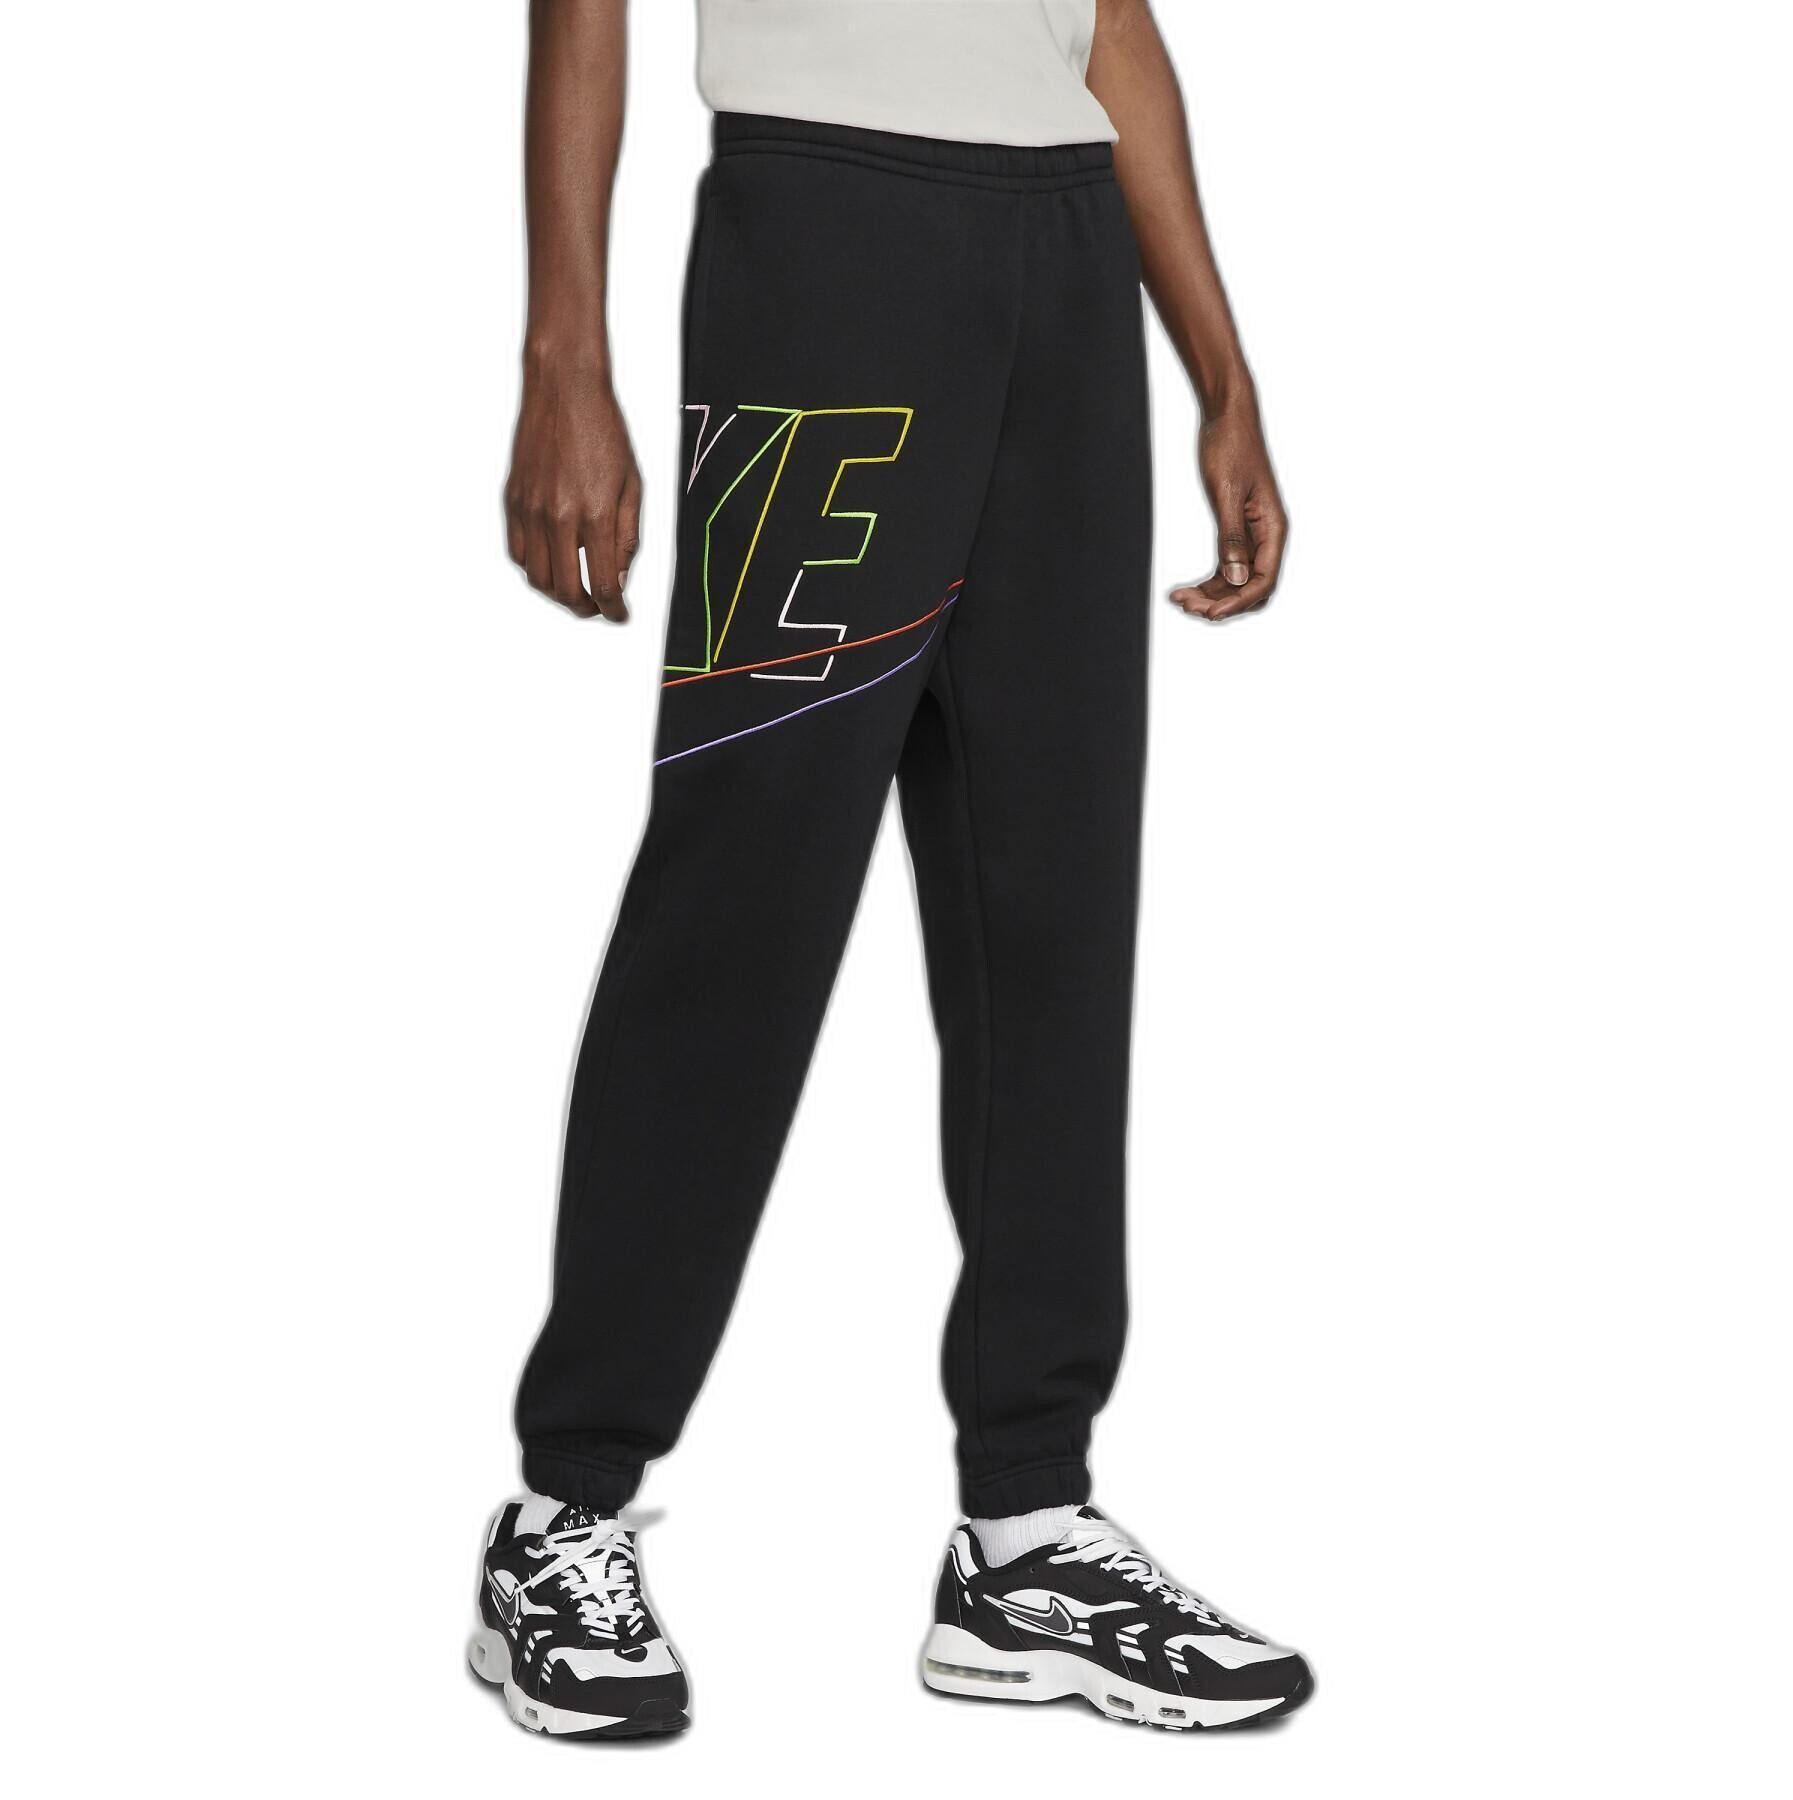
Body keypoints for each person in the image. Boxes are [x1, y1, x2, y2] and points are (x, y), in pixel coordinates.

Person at [469, 0, 1308, 1739]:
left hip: (1067, 258)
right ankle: (565, 1509)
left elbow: (1109, 20)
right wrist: (565, 351)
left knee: (1051, 914)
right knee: (745, 900)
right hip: (828, 240)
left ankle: (1030, 1533)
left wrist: (1222, 375)